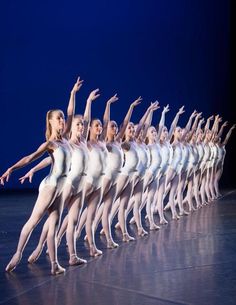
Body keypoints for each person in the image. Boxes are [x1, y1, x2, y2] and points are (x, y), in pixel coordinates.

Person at [0, 77, 83, 274]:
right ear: (51, 122)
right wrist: (11, 169)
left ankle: (54, 265)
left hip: (62, 187)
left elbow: (71, 113)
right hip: (51, 185)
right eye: (59, 118)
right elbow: (30, 158)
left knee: (53, 226)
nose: (63, 120)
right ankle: (18, 253)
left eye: (63, 118)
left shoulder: (66, 142)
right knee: (34, 220)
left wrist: (73, 93)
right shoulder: (51, 144)